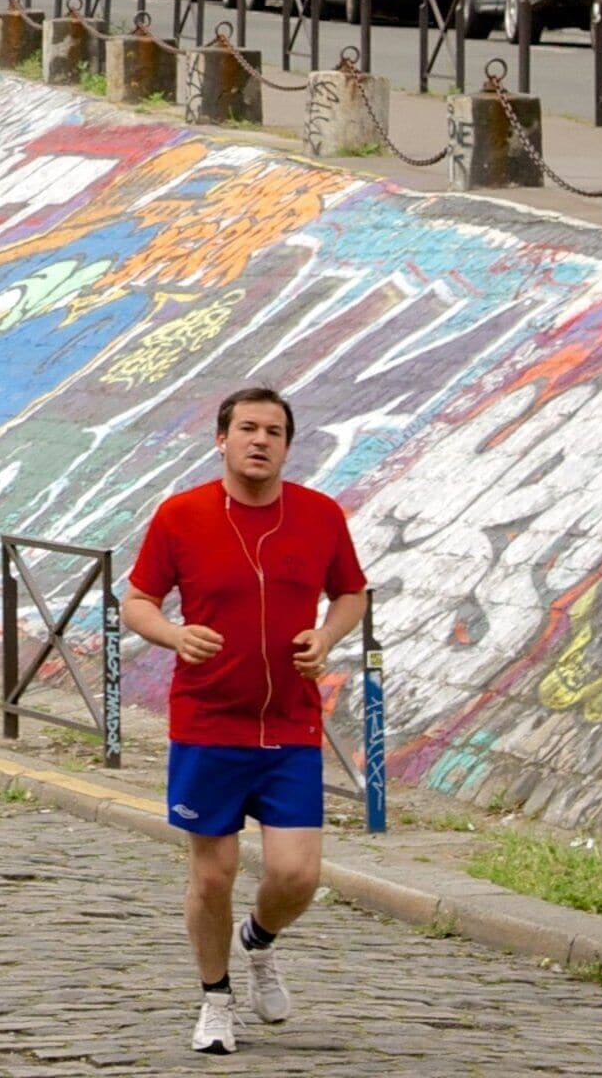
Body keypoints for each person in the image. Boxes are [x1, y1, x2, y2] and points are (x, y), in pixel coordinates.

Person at [126, 387, 370, 1054]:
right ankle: (216, 999)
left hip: (290, 725)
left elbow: (351, 591)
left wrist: (327, 636)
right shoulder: (182, 515)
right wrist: (173, 635)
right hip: (208, 723)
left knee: (297, 875)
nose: (260, 440)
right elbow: (138, 599)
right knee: (213, 874)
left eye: (274, 432)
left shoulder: (319, 516)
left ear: (288, 446)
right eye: (248, 429)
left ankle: (257, 941)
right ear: (222, 440)